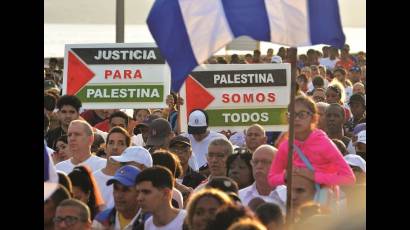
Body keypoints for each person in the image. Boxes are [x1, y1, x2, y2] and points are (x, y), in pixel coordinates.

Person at [268, 96, 355, 203]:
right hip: (294, 205)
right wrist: (287, 176)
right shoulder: (286, 145)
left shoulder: (323, 143)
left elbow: (348, 178)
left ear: (314, 118)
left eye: (302, 114)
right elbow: (272, 178)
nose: (296, 119)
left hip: (322, 207)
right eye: (292, 115)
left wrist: (313, 176)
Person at [92, 165, 144, 230]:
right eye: (116, 188)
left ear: (139, 192)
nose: (118, 195)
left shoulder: (152, 222)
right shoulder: (101, 220)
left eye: (125, 190)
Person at [92, 126, 131, 208]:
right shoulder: (93, 179)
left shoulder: (132, 180)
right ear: (105, 148)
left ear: (128, 149)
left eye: (121, 143)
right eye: (111, 143)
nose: (115, 147)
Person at [239, 145, 286, 211]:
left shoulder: (290, 197)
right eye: (255, 162)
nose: (259, 166)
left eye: (265, 162)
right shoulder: (239, 196)